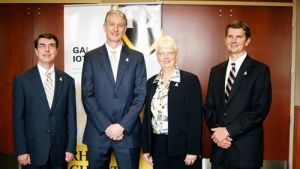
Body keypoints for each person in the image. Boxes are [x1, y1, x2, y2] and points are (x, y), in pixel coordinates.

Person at [81, 9, 147, 169]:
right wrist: (107, 126)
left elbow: (140, 95)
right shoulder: (91, 57)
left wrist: (121, 126)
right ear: (104, 27)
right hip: (98, 132)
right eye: (112, 24)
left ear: (125, 30)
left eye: (120, 25)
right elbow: (87, 95)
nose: (115, 29)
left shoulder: (137, 58)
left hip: (128, 133)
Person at [204, 20, 272, 169]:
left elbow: (260, 110)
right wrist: (218, 135)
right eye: (230, 37)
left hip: (245, 151)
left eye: (239, 37)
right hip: (219, 150)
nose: (233, 41)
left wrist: (227, 131)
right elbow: (209, 106)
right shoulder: (216, 71)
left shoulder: (260, 70)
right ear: (225, 40)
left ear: (247, 41)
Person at [12, 33, 77, 169]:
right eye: (42, 46)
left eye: (51, 46)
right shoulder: (22, 80)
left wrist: (71, 147)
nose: (47, 50)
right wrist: (21, 150)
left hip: (60, 152)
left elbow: (71, 117)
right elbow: (18, 118)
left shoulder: (68, 81)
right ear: (36, 51)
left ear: (56, 51)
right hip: (32, 152)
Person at [141, 35, 203, 169]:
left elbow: (196, 118)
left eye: (170, 52)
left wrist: (193, 150)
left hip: (183, 148)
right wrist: (146, 148)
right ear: (157, 57)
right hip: (157, 148)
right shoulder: (151, 83)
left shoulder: (190, 81)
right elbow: (147, 118)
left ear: (177, 55)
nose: (166, 57)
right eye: (162, 53)